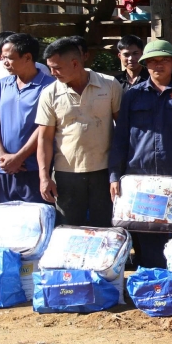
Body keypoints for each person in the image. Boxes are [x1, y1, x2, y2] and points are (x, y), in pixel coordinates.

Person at [108, 40, 172, 268]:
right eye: (152, 61)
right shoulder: (132, 96)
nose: (158, 65)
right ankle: (149, 284)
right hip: (139, 178)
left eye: (163, 60)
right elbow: (120, 138)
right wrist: (114, 176)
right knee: (144, 232)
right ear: (145, 64)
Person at [35, 37, 122, 226]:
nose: (52, 72)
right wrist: (44, 177)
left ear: (75, 63)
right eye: (50, 67)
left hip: (104, 171)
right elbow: (44, 139)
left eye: (56, 67)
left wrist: (121, 170)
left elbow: (122, 130)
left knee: (106, 226)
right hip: (67, 173)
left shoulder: (109, 85)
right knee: (68, 227)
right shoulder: (50, 93)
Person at [0, 33, 56, 203]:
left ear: (27, 57)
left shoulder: (50, 87)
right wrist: (3, 157)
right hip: (5, 170)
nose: (4, 62)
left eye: (9, 58)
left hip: (36, 170)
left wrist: (19, 158)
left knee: (36, 222)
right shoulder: (2, 85)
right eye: (3, 58)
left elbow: (46, 128)